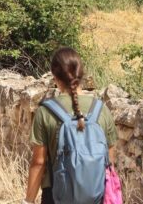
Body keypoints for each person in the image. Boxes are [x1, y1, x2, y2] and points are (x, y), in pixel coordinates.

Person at [24, 47, 118, 204]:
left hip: (55, 195)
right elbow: (110, 161)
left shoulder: (45, 112)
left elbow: (38, 163)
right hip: (96, 195)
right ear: (82, 74)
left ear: (55, 77)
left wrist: (28, 200)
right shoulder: (101, 110)